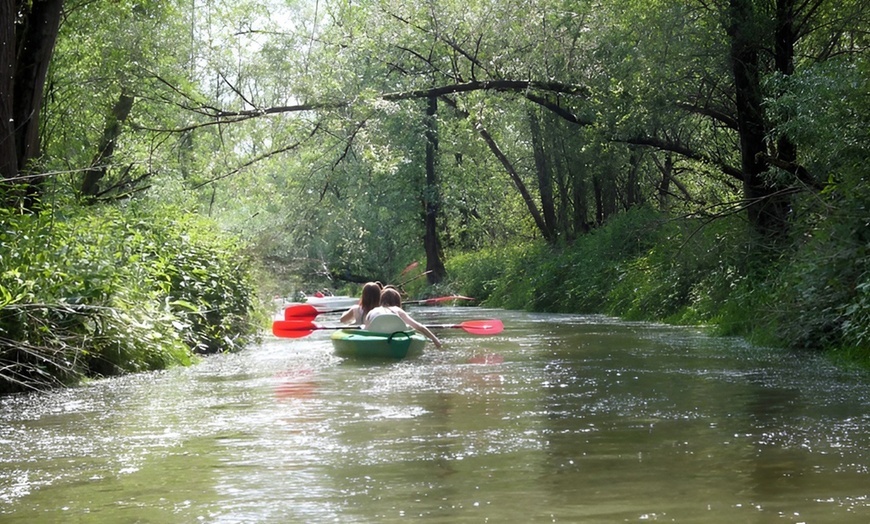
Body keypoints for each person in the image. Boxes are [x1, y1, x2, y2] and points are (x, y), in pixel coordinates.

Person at [365, 287, 442, 349]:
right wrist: (436, 341)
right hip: (395, 342)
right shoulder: (397, 310)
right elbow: (419, 327)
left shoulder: (371, 312)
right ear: (397, 302)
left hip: (376, 342)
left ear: (381, 300)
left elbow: (365, 332)